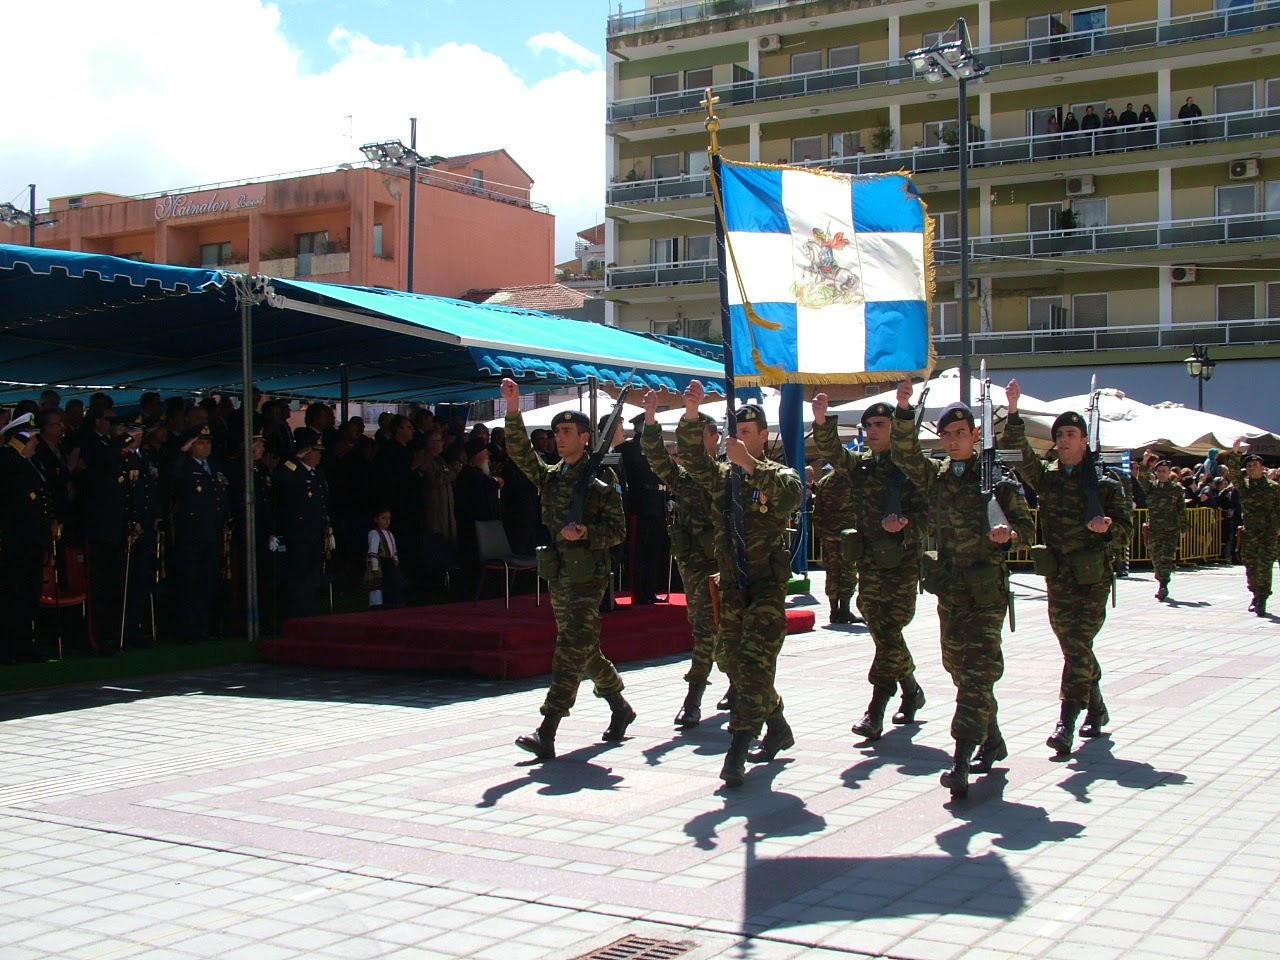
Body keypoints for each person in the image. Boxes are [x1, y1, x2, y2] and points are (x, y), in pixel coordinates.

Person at [890, 388, 1033, 798]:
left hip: (986, 595)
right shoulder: (936, 479)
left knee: (976, 675)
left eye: (960, 432)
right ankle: (992, 738)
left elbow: (1027, 531)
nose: (953, 440)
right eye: (947, 434)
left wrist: (1009, 535)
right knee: (958, 669)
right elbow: (907, 456)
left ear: (975, 435)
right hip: (951, 592)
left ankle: (960, 761)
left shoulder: (999, 483)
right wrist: (903, 412)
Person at [676, 381, 802, 788]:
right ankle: (778, 725)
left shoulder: (775, 473)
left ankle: (738, 749)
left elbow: (793, 495)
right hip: (730, 586)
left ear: (764, 436)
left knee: (751, 664)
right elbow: (694, 462)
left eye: (750, 433)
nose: (742, 439)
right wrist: (693, 414)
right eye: (738, 433)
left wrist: (750, 463)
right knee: (734, 663)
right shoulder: (723, 478)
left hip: (765, 587)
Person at [502, 378, 633, 760]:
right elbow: (519, 452)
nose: (559, 438)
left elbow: (618, 530)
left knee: (568, 648)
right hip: (559, 573)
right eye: (557, 432)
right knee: (583, 649)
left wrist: (587, 532)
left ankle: (548, 727)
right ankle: (620, 707)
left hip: (588, 576)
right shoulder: (552, 476)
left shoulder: (600, 481)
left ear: (586, 437)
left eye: (567, 432)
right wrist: (513, 408)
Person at [1002, 382, 1133, 757]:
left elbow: (1124, 529)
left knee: (1077, 646)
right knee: (1073, 646)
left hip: (1092, 578)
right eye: (1059, 434)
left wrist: (1108, 529)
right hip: (1058, 577)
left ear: (1085, 441)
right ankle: (1097, 705)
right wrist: (1013, 413)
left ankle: (1066, 722)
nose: (1062, 440)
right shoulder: (1050, 478)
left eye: (1070, 434)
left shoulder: (1107, 484)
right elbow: (1023, 457)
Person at [814, 397, 930, 741]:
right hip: (870, 564)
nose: (873, 431)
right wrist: (822, 422)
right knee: (884, 634)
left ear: (895, 428)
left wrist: (907, 524)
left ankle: (877, 707)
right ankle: (911, 689)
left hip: (901, 565)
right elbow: (835, 454)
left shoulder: (912, 468)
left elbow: (928, 516)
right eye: (869, 426)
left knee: (890, 630)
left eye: (880, 425)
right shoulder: (860, 466)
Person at [639, 391, 725, 728]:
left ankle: (694, 698)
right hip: (694, 563)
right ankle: (733, 682)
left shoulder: (729, 473)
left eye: (698, 435)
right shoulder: (685, 478)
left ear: (715, 438)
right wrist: (650, 419)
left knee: (713, 629)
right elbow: (657, 459)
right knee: (705, 625)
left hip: (723, 562)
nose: (689, 444)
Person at [0, 414, 57, 663]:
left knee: (27, 594)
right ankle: (9, 646)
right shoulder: (8, 462)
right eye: (32, 440)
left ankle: (24, 642)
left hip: (32, 540)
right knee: (12, 595)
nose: (36, 445)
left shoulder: (32, 464)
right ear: (20, 441)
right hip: (15, 541)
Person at [170, 424, 231, 642]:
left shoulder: (213, 465)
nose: (205, 447)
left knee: (207, 582)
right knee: (189, 581)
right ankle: (187, 629)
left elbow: (221, 495)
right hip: (191, 533)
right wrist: (182, 451)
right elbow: (173, 476)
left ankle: (203, 626)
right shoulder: (185, 465)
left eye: (207, 442)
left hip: (212, 531)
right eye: (200, 443)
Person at [273, 427, 329, 621]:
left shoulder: (317, 474)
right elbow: (280, 478)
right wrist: (295, 458)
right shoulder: (294, 471)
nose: (319, 455)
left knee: (311, 575)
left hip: (314, 532)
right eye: (315, 451)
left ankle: (309, 610)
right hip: (298, 534)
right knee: (297, 576)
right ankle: (297, 613)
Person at [617, 413, 669, 605]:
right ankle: (639, 591)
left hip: (657, 502)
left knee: (654, 551)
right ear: (640, 427)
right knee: (639, 551)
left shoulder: (659, 449)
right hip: (640, 505)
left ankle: (650, 589)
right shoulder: (626, 448)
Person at [1226, 439, 1280, 616]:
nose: (1251, 469)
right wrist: (1235, 454)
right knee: (1250, 567)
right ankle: (1256, 593)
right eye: (1248, 466)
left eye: (1254, 465)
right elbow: (1234, 475)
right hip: (1250, 533)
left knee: (1264, 566)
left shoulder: (1273, 488)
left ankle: (1262, 598)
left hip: (1268, 534)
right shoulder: (1245, 487)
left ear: (1262, 467)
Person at [811, 462, 858, 625]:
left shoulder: (824, 482)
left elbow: (817, 511)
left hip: (829, 535)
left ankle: (833, 611)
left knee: (832, 571)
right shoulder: (853, 481)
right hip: (849, 535)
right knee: (848, 571)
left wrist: (821, 533)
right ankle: (844, 610)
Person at [1136, 452, 1187, 601]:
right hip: (1154, 529)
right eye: (1159, 471)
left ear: (1169, 472)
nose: (1162, 474)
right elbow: (1142, 479)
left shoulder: (1176, 489)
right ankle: (1161, 578)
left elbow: (1181, 509)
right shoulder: (1152, 488)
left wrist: (1184, 527)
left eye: (1164, 471)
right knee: (1156, 558)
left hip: (1171, 529)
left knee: (1166, 557)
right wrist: (1144, 461)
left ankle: (1163, 585)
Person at [366, 507, 405, 609]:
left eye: (388, 518)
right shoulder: (374, 533)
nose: (386, 521)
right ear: (376, 519)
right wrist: (374, 565)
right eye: (383, 518)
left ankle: (393, 603)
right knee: (377, 584)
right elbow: (373, 550)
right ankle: (377, 605)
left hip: (389, 561)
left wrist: (395, 558)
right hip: (380, 562)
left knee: (394, 581)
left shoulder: (390, 533)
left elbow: (393, 547)